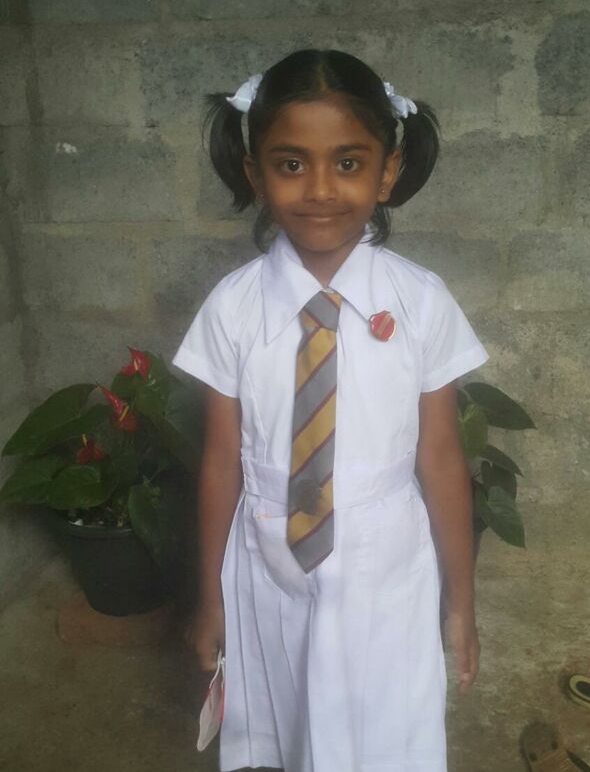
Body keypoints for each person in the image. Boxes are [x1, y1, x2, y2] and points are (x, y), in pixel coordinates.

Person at [173, 48, 489, 772]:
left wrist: (460, 602)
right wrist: (211, 599)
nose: (319, 189)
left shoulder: (421, 302)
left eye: (348, 163)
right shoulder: (233, 308)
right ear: (255, 174)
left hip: (387, 570)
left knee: (383, 734)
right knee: (288, 726)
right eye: (291, 164)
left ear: (388, 171)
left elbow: (441, 456)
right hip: (268, 569)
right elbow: (220, 461)